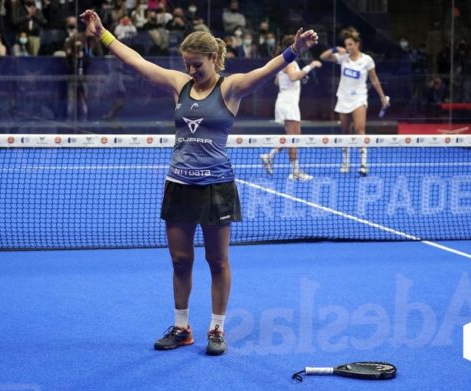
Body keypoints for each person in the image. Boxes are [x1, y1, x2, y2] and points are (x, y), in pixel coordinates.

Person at [80, 9, 318, 356]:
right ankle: (182, 327)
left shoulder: (231, 87)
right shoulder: (180, 84)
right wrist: (102, 33)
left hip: (216, 188)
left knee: (217, 261)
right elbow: (136, 62)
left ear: (214, 58)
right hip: (179, 185)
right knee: (180, 260)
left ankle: (217, 328)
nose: (191, 71)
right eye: (187, 65)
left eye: (197, 65)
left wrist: (294, 50)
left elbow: (265, 71)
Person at [320, 27, 388, 176]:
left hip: (359, 98)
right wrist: (335, 49)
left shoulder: (367, 60)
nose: (348, 47)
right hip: (343, 98)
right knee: (345, 131)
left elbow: (374, 79)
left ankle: (363, 164)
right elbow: (323, 57)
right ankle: (346, 162)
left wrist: (382, 96)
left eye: (351, 44)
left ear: (357, 44)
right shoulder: (343, 57)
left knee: (359, 129)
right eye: (346, 45)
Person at [261, 35, 322, 181]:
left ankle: (270, 156)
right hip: (288, 103)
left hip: (287, 101)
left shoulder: (284, 61)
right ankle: (294, 171)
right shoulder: (289, 61)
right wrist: (310, 66)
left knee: (293, 137)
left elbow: (277, 81)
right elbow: (294, 77)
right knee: (294, 138)